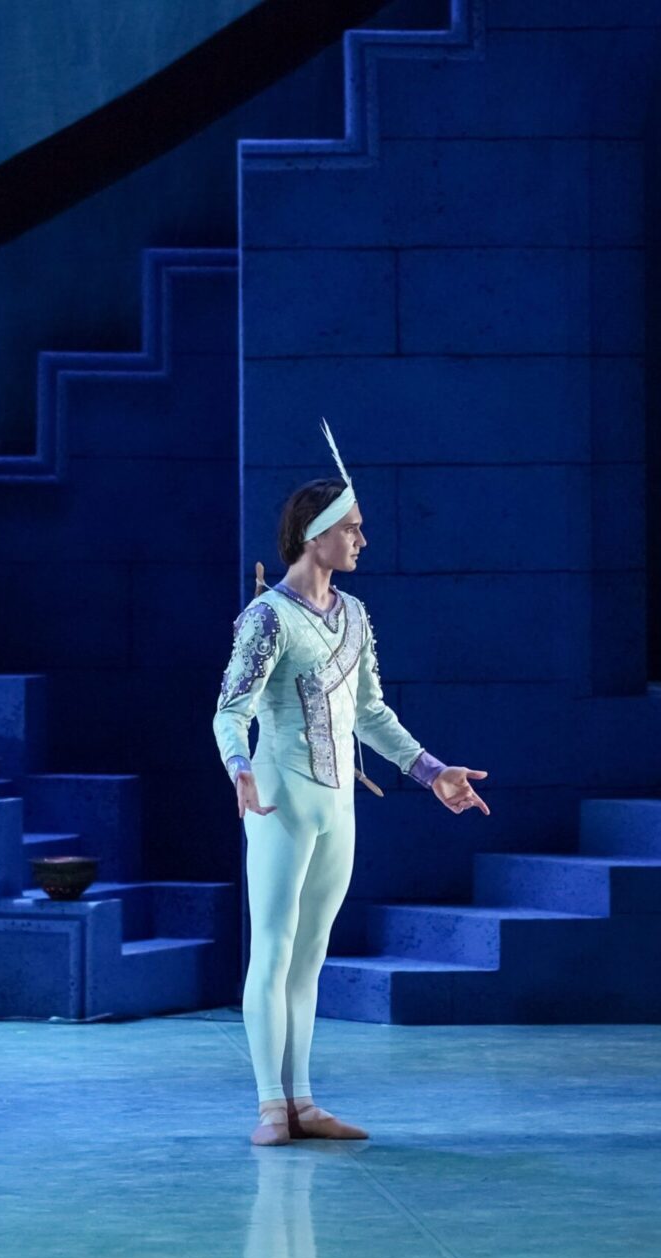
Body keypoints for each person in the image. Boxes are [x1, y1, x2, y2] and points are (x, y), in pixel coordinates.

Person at [213, 422, 490, 1147]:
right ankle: (269, 1105)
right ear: (315, 535)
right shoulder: (268, 618)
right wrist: (240, 768)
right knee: (273, 950)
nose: (362, 540)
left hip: (338, 807)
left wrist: (431, 771)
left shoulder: (356, 616)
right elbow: (230, 711)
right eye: (351, 529)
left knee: (311, 957)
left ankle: (303, 1101)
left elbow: (369, 712)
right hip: (279, 800)